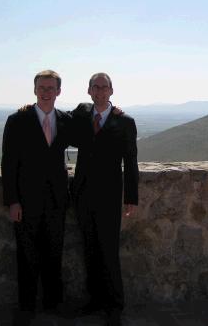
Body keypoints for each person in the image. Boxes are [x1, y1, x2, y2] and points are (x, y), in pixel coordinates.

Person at [1, 70, 71, 323]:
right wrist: (12, 201)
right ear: (34, 90)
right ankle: (27, 306)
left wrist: (112, 108)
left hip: (56, 200)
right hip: (26, 201)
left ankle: (54, 302)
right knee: (26, 255)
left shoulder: (66, 120)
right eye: (42, 87)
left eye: (51, 88)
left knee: (54, 252)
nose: (46, 92)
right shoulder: (17, 120)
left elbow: (91, 120)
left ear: (58, 92)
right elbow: (8, 163)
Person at [71, 72, 139, 326]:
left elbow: (130, 162)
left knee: (109, 251)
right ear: (89, 91)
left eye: (104, 87)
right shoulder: (81, 114)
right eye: (95, 87)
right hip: (83, 195)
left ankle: (114, 305)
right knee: (89, 249)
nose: (99, 91)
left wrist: (131, 197)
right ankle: (95, 300)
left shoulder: (125, 122)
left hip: (110, 196)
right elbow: (56, 118)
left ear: (112, 91)